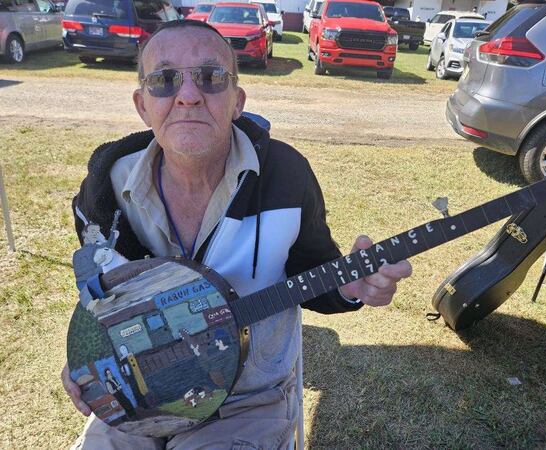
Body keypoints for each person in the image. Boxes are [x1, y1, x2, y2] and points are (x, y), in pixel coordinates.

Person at [61, 19, 412, 449]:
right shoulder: (105, 189)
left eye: (210, 78)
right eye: (164, 80)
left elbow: (312, 271)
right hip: (140, 398)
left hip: (247, 400)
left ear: (236, 100)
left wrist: (350, 287)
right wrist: (87, 359)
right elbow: (104, 300)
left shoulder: (285, 174)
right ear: (141, 104)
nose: (188, 96)